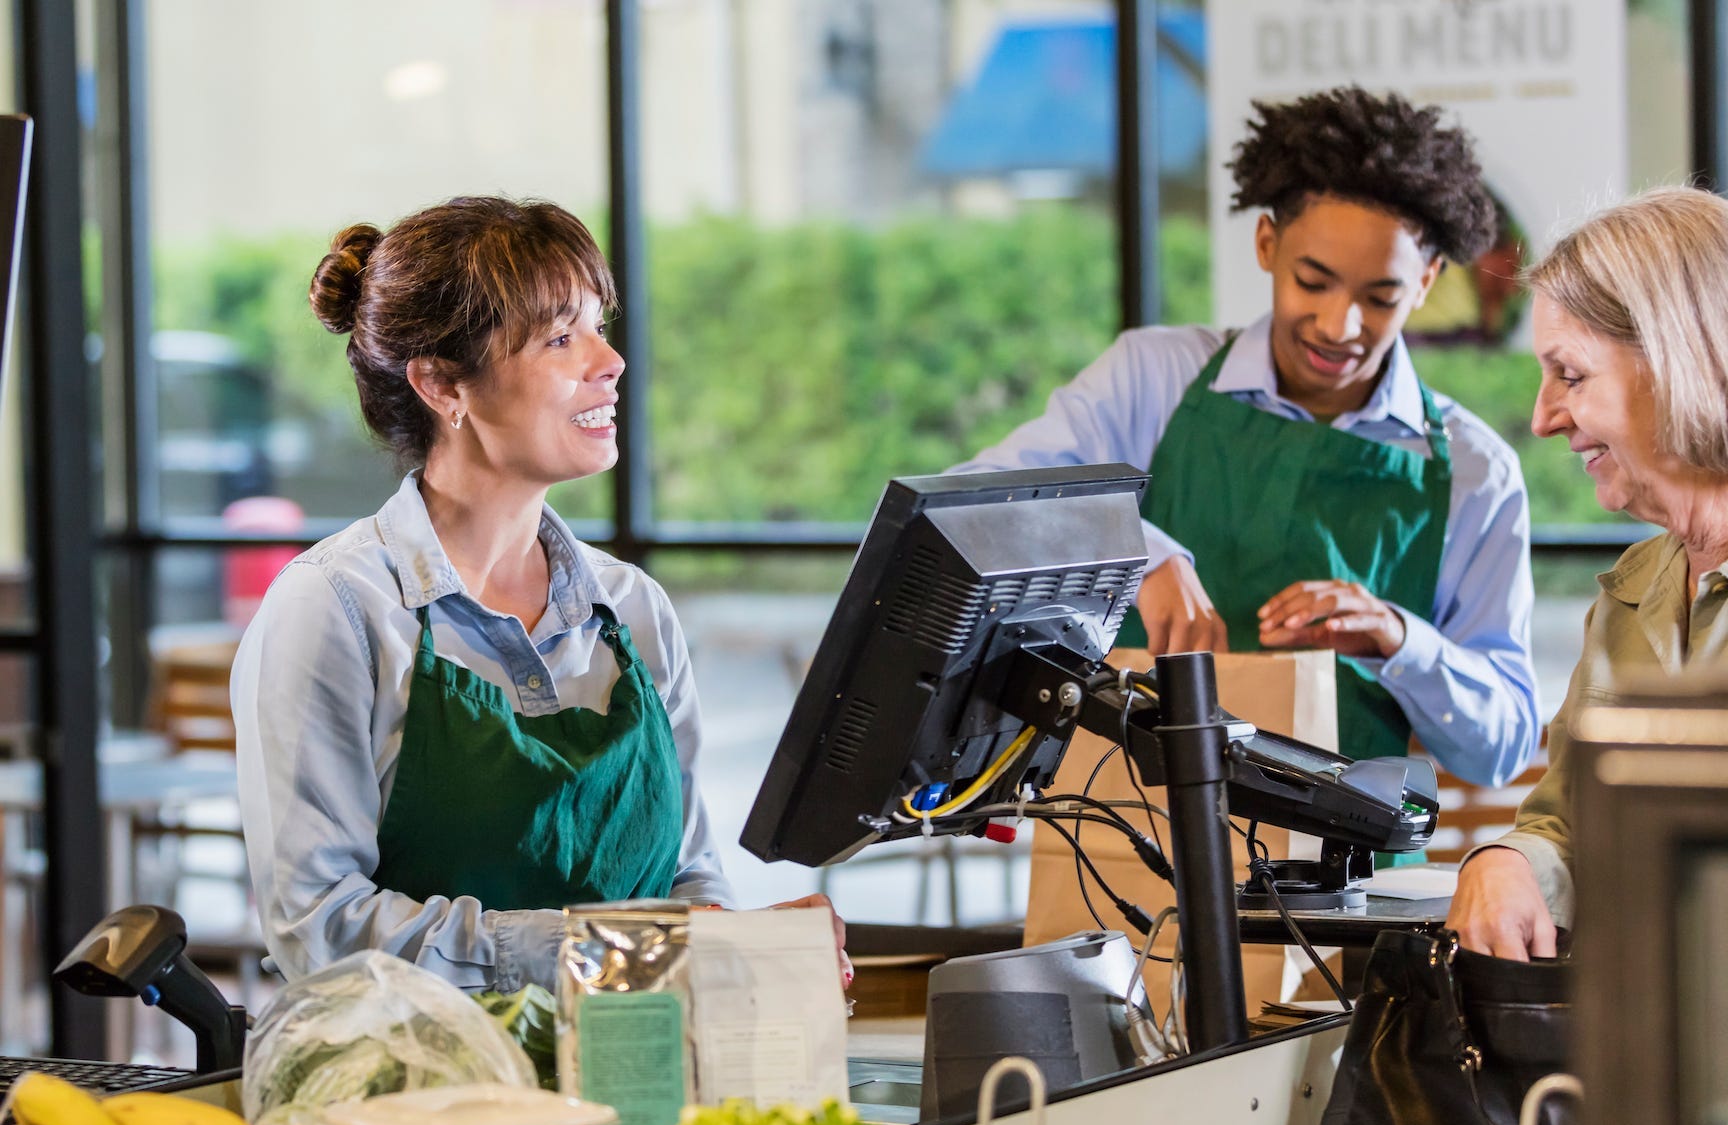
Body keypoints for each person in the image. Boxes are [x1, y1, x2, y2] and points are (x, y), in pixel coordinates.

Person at [232, 196, 844, 991]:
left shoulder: (634, 610)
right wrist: (614, 951)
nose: (610, 360)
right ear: (443, 385)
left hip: (640, 1083)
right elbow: (321, 927)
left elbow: (690, 882)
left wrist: (742, 950)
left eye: (599, 325)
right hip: (416, 1096)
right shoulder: (337, 610)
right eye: (561, 338)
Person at [957, 87, 1539, 786]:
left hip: (1347, 887)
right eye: (1312, 281)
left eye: (1379, 297)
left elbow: (1502, 751)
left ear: (1426, 283)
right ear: (1267, 244)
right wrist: (1138, 552)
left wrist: (1400, 640)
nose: (1339, 326)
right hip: (1116, 846)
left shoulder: (1478, 473)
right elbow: (972, 509)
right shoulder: (1153, 378)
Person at [1446, 185, 1728, 959]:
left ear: (1681, 361)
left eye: (1569, 376)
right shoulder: (1632, 592)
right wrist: (1509, 861)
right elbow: (1570, 820)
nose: (1541, 418)